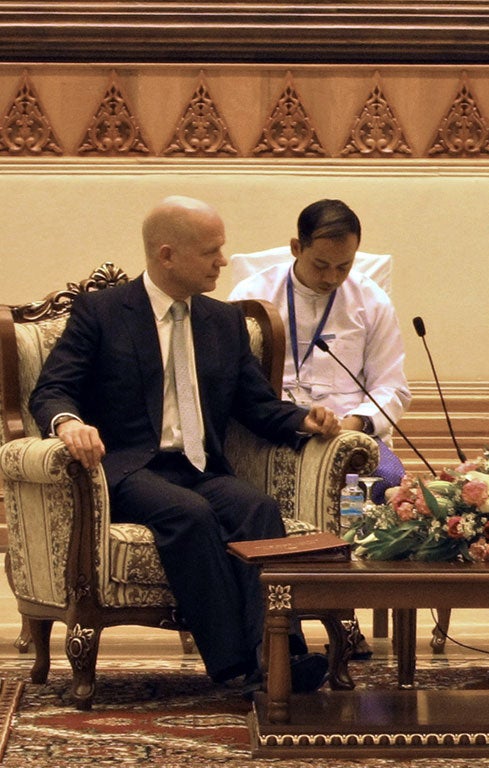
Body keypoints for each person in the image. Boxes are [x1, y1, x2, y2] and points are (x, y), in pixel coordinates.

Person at [30, 196, 343, 696]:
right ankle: (236, 667)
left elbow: (255, 405)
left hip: (200, 464)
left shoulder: (222, 322)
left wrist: (304, 420)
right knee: (189, 514)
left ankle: (279, 657)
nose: (223, 260)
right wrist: (68, 423)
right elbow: (51, 388)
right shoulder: (104, 312)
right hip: (130, 467)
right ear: (167, 254)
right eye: (211, 251)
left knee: (257, 508)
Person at [229, 199, 411, 504]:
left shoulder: (372, 301)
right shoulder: (251, 296)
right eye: (321, 265)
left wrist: (353, 423)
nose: (331, 278)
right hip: (278, 427)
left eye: (344, 266)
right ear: (297, 248)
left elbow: (391, 386)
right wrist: (294, 420)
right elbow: (236, 384)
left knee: (388, 480)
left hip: (348, 431)